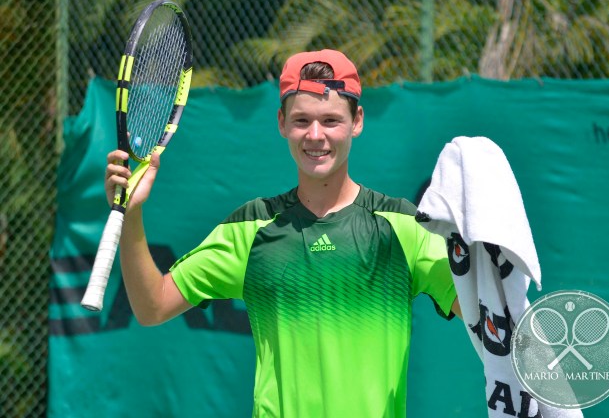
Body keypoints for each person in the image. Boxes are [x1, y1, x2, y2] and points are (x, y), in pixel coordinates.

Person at [105, 49, 461, 418]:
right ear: (282, 123)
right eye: (302, 120)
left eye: (331, 120)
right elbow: (152, 306)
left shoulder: (403, 227)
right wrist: (131, 214)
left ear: (357, 121)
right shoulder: (250, 230)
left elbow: (479, 313)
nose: (316, 135)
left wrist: (485, 245)